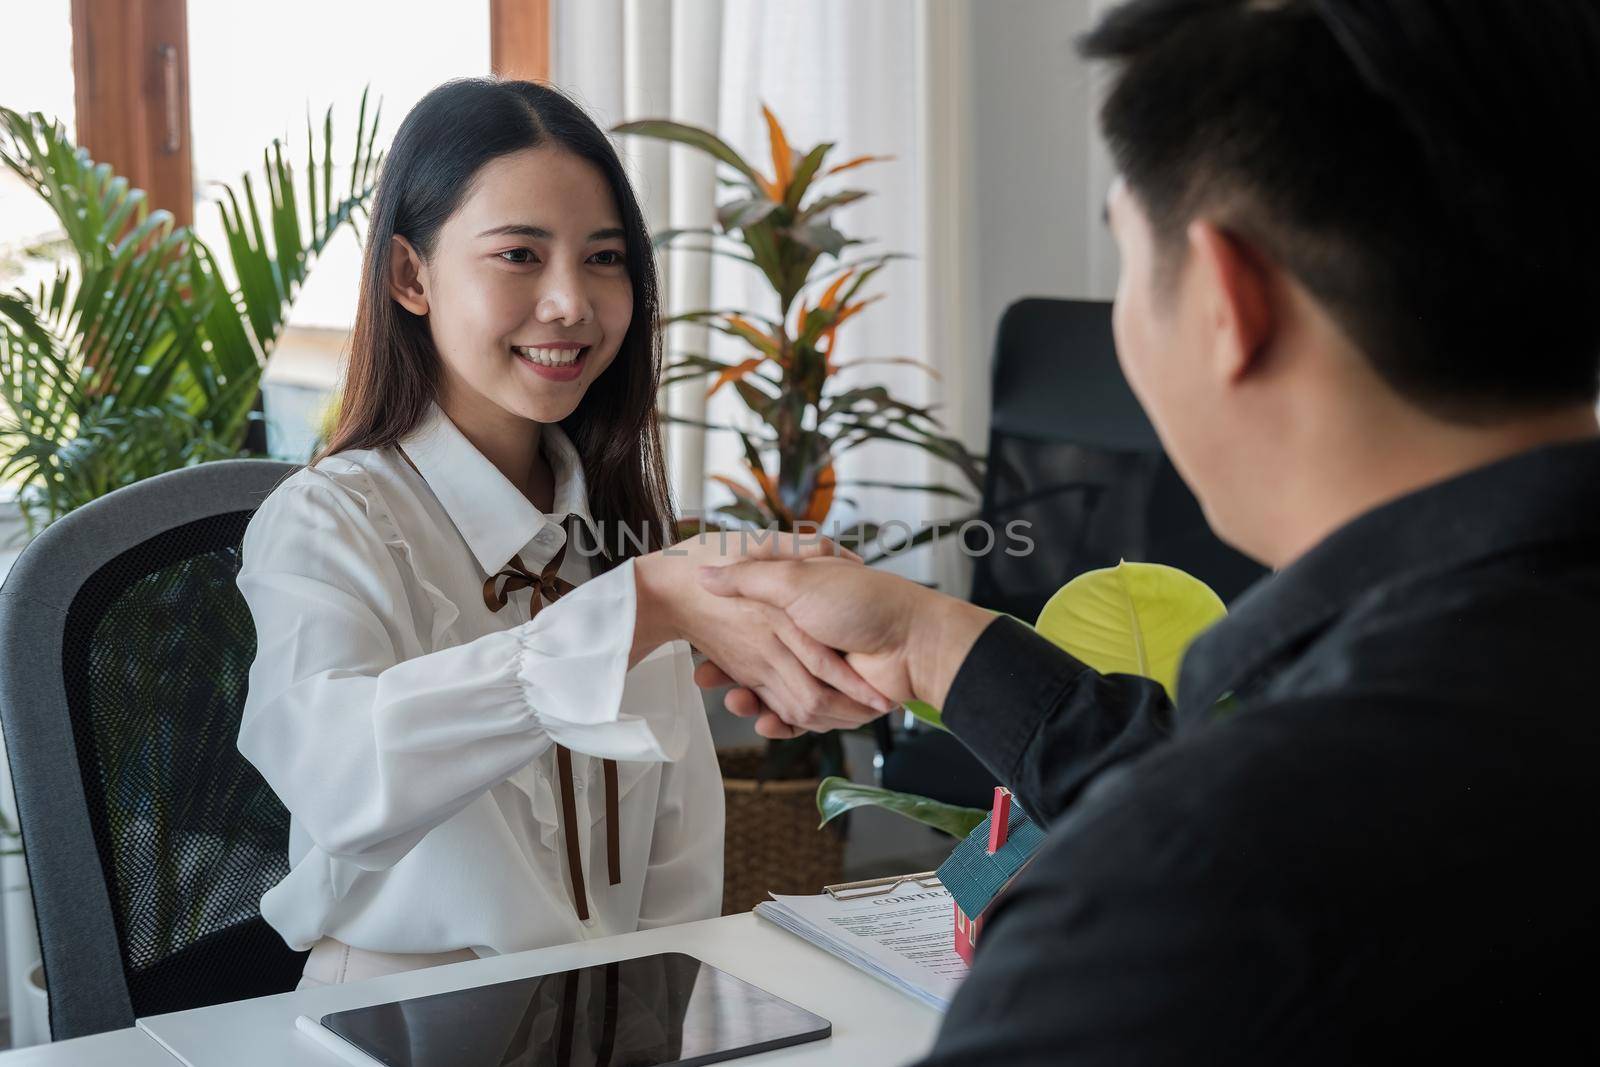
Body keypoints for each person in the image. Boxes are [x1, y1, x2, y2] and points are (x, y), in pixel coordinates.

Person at [692, 1, 1600, 1060]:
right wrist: (930, 639)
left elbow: (1243, 827)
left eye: (1124, 254)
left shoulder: (1186, 894)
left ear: (1225, 297)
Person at [235, 79, 887, 990]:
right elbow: (342, 778)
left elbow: (676, 879)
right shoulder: (328, 520)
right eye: (518, 255)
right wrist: (636, 610)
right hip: (396, 1018)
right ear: (409, 276)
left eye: (605, 257)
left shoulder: (622, 531)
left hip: (607, 1015)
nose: (570, 302)